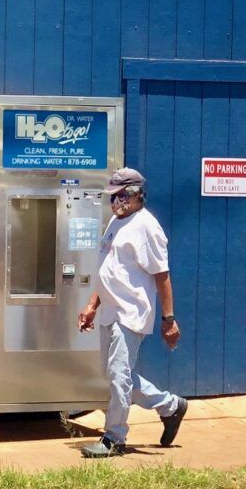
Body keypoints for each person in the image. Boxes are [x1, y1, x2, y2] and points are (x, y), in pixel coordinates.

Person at [77, 167, 188, 458]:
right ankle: (171, 406)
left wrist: (169, 319)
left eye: (121, 195)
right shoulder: (116, 221)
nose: (115, 202)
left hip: (130, 312)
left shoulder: (147, 226)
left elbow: (162, 276)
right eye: (112, 196)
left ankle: (114, 438)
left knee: (118, 376)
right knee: (116, 374)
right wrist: (92, 305)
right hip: (109, 310)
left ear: (137, 194)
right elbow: (107, 270)